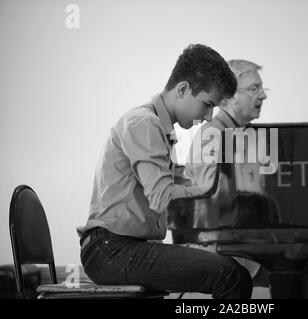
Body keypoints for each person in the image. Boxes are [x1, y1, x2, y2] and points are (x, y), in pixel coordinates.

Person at [76, 44, 253, 299]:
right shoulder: (144, 123)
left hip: (117, 247)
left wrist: (218, 184)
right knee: (229, 275)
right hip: (110, 250)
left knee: (232, 271)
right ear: (182, 89)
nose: (207, 116)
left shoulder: (157, 127)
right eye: (206, 104)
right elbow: (161, 196)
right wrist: (210, 190)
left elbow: (175, 182)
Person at [184, 59, 270, 289]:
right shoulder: (213, 134)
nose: (263, 96)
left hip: (239, 250)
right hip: (221, 254)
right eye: (254, 89)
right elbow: (212, 197)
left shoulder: (241, 134)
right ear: (229, 97)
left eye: (262, 88)